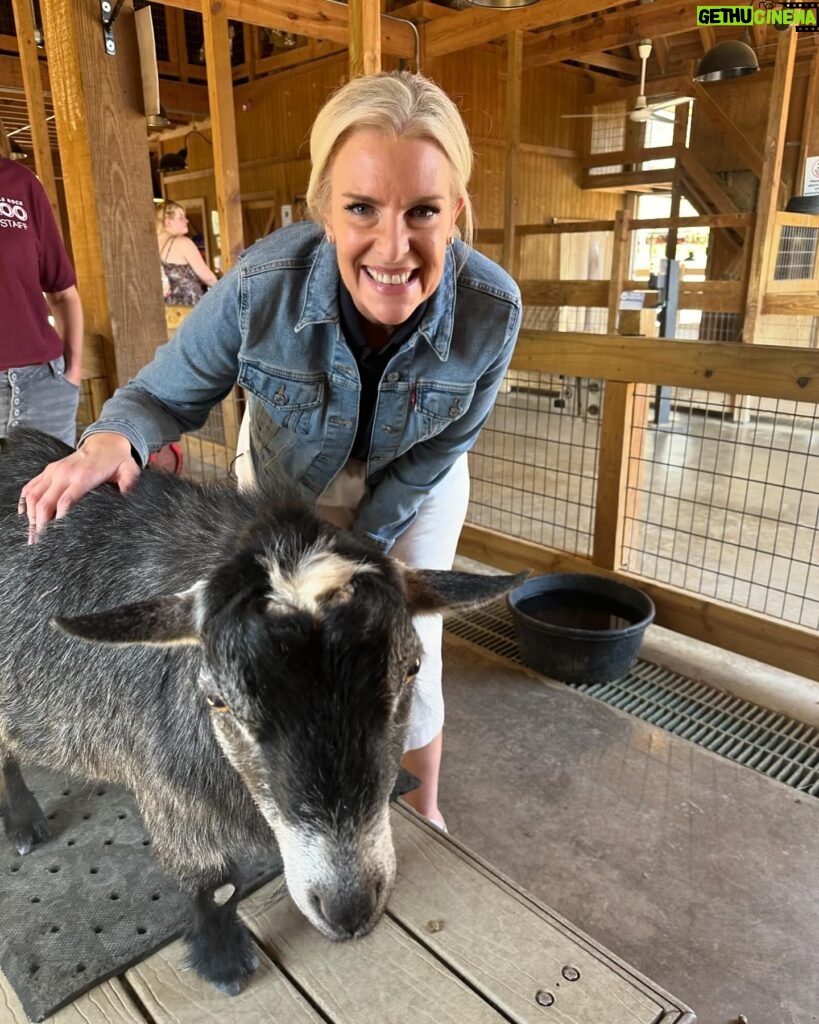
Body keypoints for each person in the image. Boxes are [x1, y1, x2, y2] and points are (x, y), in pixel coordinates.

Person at [19, 71, 522, 830]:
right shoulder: (261, 285)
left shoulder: (492, 309)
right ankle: (296, 803)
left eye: (422, 211)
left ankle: (419, 812)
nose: (394, 247)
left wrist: (367, 556)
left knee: (404, 642)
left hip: (412, 484)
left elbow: (446, 441)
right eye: (361, 209)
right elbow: (165, 393)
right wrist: (109, 442)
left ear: (455, 210)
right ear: (324, 210)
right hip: (286, 485)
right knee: (285, 648)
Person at [0, 119, 84, 446]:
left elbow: (62, 292)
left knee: (56, 499)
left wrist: (72, 374)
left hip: (44, 388)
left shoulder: (22, 185)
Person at [157, 200, 217, 305]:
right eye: (181, 217)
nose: (187, 221)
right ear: (168, 222)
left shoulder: (150, 245)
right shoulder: (183, 243)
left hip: (163, 309)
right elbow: (209, 278)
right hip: (188, 308)